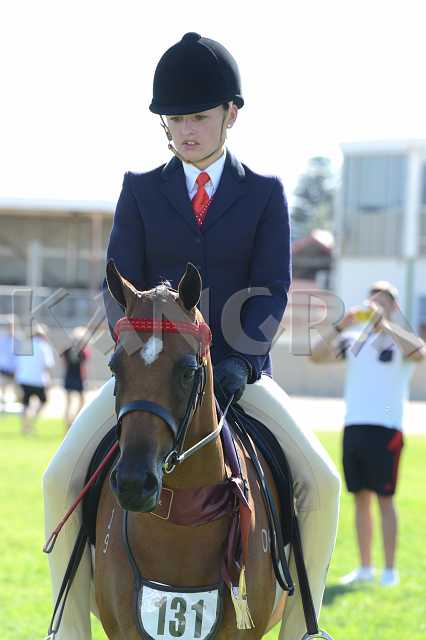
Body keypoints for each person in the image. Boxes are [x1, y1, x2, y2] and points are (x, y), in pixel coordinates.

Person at [43, 33, 340, 640]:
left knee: (322, 483)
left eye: (198, 117)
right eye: (175, 119)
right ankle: (67, 630)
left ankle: (302, 630)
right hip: (152, 377)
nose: (186, 130)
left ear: (231, 114)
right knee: (58, 478)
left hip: (236, 376)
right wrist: (142, 353)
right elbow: (117, 287)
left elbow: (272, 289)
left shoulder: (264, 194)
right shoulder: (140, 189)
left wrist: (240, 359)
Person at [311, 280, 425, 587]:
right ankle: (364, 568)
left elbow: (419, 353)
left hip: (387, 428)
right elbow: (316, 356)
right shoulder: (354, 339)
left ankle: (389, 571)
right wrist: (342, 325)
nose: (375, 306)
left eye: (382, 301)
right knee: (360, 497)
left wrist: (383, 324)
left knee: (385, 499)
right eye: (372, 300)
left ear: (394, 306)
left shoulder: (400, 338)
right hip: (354, 426)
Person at [15, 323, 55, 435]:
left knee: (25, 404)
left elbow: (18, 364)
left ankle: (24, 426)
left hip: (24, 379)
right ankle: (31, 422)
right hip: (38, 381)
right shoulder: (44, 347)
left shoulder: (26, 345)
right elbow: (48, 365)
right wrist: (49, 380)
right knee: (43, 401)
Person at [62, 327, 91, 431]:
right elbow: (84, 367)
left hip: (69, 377)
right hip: (78, 378)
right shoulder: (83, 352)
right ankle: (73, 421)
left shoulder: (67, 350)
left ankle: (68, 425)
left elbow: (64, 365)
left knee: (68, 403)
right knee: (81, 402)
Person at [0, 318, 17, 409]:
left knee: (17, 390)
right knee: (3, 387)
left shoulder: (18, 340)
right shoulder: (2, 340)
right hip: (3, 368)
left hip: (14, 369)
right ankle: (3, 405)